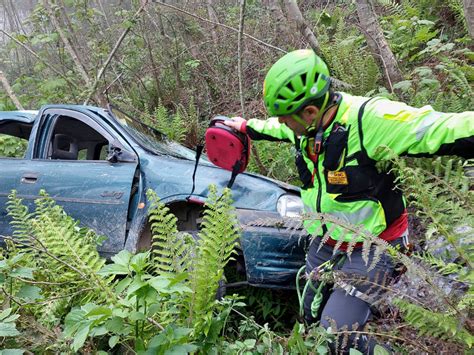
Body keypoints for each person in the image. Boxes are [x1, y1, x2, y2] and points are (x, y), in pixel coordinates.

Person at [223, 49, 474, 354]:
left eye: (287, 120)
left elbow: (437, 128)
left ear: (310, 112)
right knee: (311, 315)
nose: (285, 126)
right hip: (326, 241)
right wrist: (246, 127)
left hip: (373, 247)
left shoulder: (369, 120)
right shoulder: (306, 130)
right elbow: (276, 129)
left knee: (333, 337)